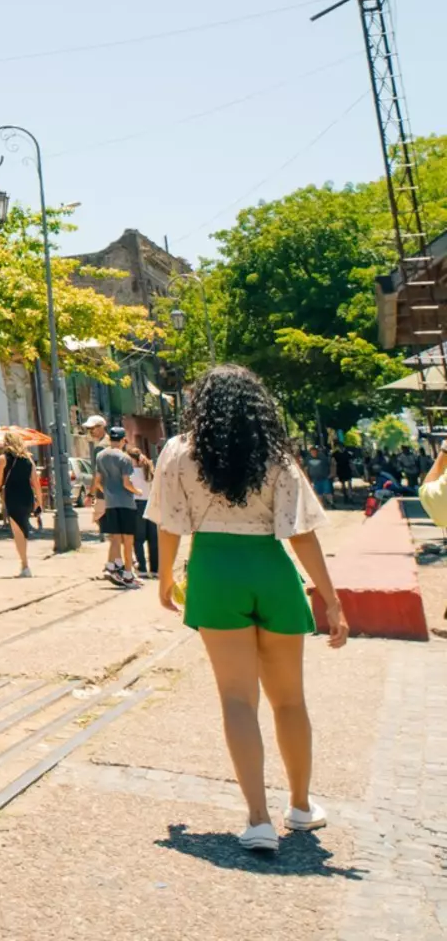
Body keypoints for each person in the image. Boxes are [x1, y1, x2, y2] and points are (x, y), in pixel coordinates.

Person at [150, 364, 347, 854]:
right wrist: (332, 599)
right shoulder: (275, 454)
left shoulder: (179, 452)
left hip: (215, 574)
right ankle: (300, 807)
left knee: (237, 700)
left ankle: (257, 819)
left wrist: (165, 577)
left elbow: (169, 524)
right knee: (290, 700)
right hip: (271, 571)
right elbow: (301, 532)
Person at [87, 422, 141, 588]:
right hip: (125, 502)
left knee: (115, 537)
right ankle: (127, 574)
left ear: (110, 438)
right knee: (128, 539)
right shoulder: (124, 458)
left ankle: (113, 566)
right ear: (124, 440)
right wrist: (137, 491)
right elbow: (126, 482)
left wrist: (107, 491)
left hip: (110, 502)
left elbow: (97, 481)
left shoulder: (101, 456)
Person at [0, 430, 34, 577]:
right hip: (28, 496)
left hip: (13, 496)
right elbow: (35, 482)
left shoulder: (2, 459)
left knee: (18, 532)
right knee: (24, 529)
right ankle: (24, 564)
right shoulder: (28, 459)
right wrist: (39, 500)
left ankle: (25, 565)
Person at [129, 446, 159, 579]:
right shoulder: (149, 470)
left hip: (138, 504)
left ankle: (142, 568)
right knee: (153, 538)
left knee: (139, 539)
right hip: (151, 504)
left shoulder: (131, 473)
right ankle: (155, 569)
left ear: (132, 459)